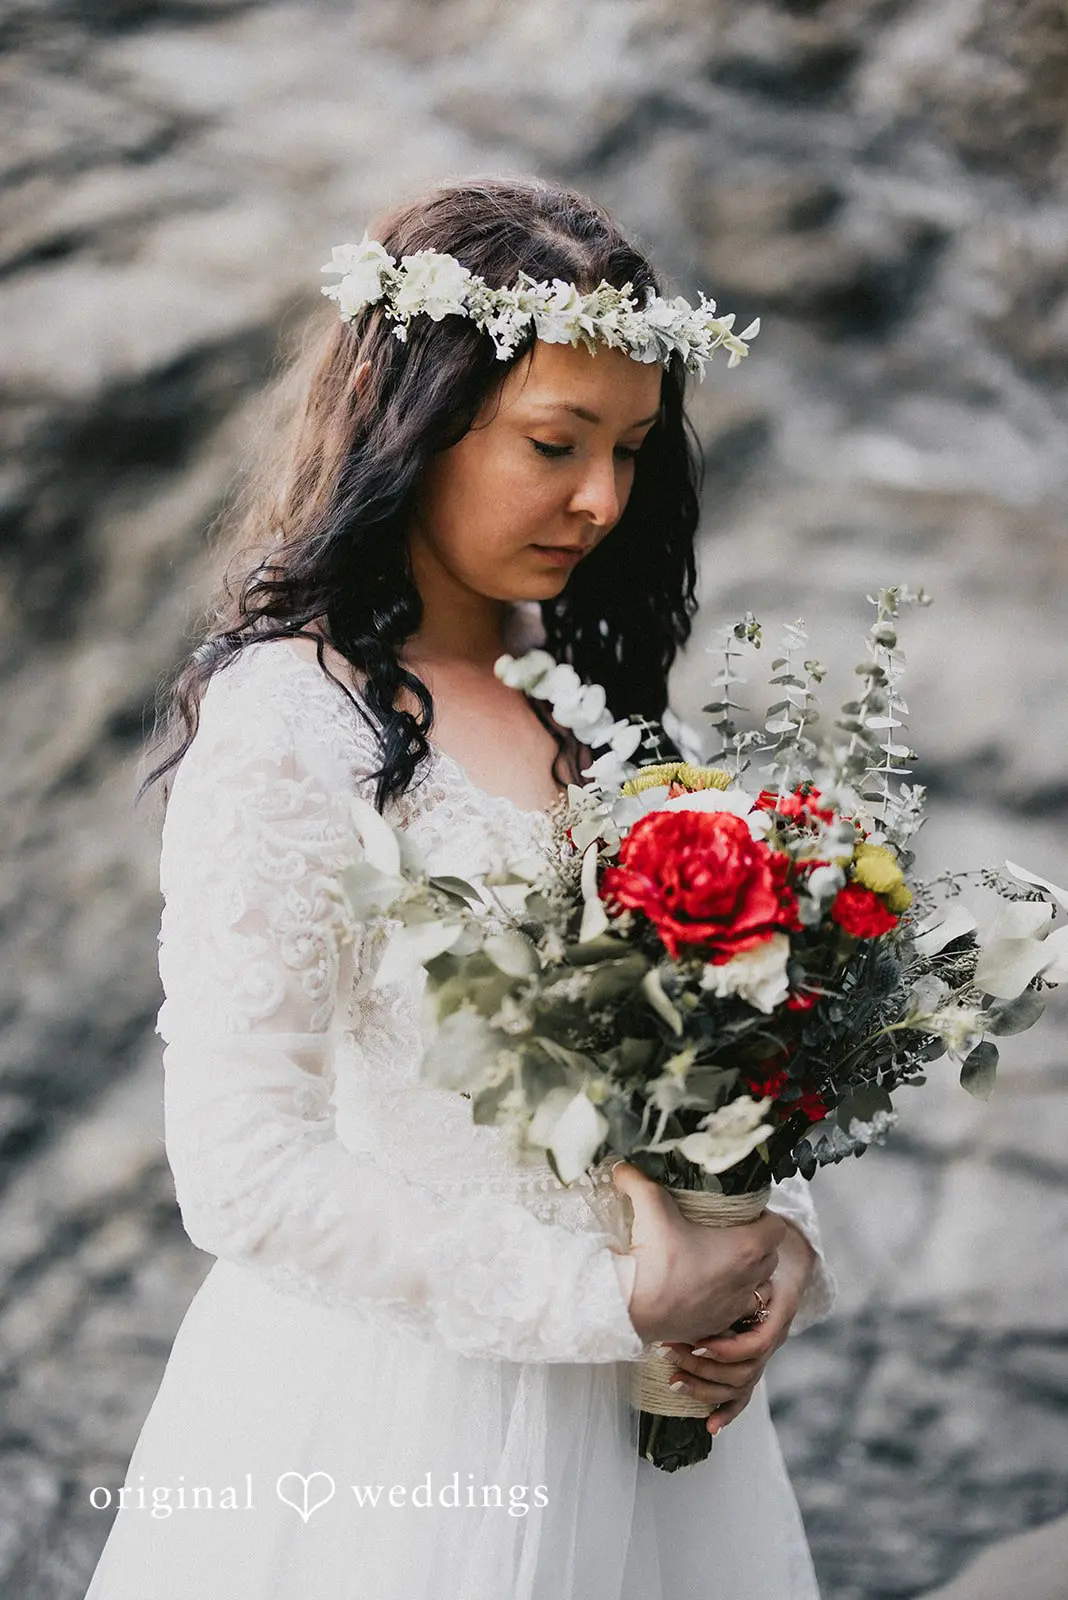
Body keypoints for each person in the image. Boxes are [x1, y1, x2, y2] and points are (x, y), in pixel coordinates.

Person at [83, 174, 836, 1600]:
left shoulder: (600, 713)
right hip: (396, 1426)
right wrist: (599, 1299)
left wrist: (770, 1246)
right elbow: (243, 1170)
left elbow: (711, 1062)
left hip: (656, 1436)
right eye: (556, 444)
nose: (603, 499)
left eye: (631, 451)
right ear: (413, 426)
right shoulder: (288, 724)